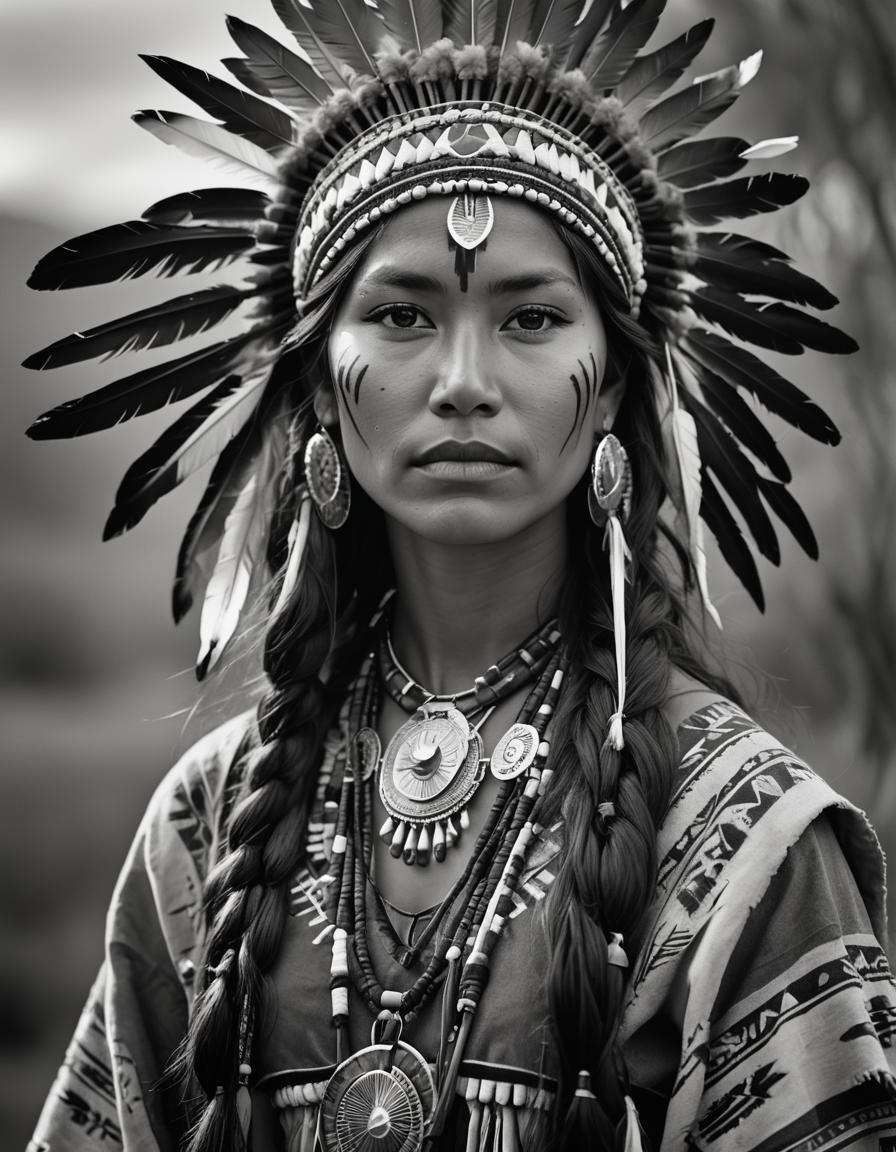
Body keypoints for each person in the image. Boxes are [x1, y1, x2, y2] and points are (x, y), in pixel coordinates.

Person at [23, 2, 896, 1150]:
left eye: (531, 316)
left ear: (617, 395)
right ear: (321, 388)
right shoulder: (206, 824)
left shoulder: (741, 837)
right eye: (399, 315)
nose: (464, 381)